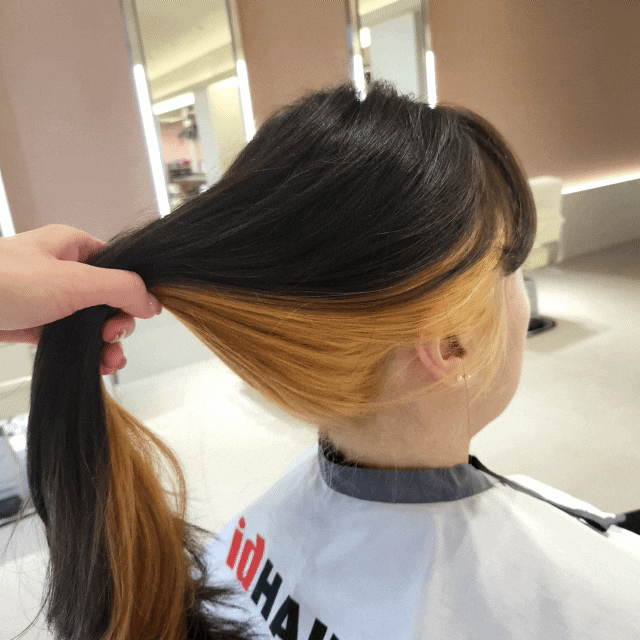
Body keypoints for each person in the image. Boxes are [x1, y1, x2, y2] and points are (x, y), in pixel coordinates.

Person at [15, 80, 640, 640]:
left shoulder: (232, 554)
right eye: (512, 267)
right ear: (451, 342)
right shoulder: (613, 597)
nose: (519, 298)